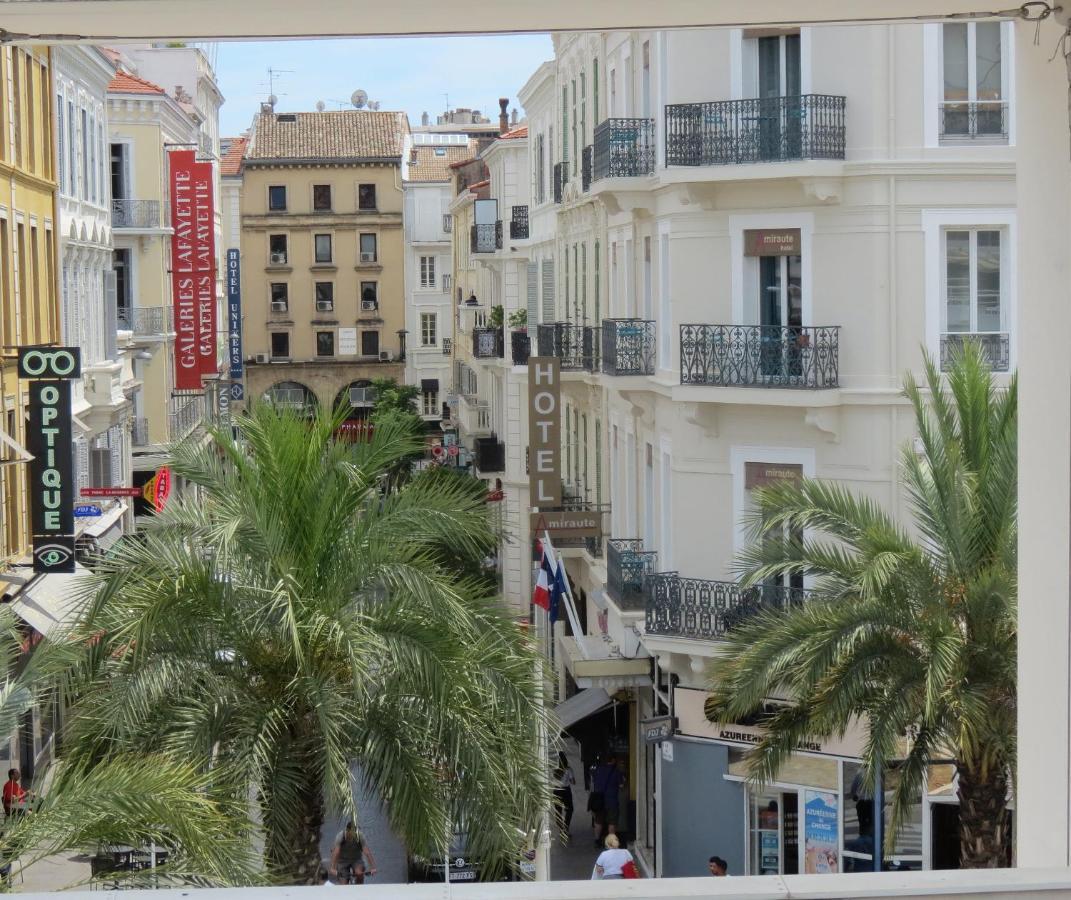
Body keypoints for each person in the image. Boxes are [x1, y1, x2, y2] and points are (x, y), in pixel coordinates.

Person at [589, 754, 621, 846]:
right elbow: (621, 785)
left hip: (599, 801)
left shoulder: (598, 770)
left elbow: (593, 781)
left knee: (598, 821)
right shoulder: (616, 772)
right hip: (612, 801)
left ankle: (597, 840)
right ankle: (611, 843)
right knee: (612, 822)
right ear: (613, 760)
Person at [552, 765, 575, 839]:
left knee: (558, 811)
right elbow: (573, 782)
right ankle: (566, 828)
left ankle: (561, 830)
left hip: (556, 791)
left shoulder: (553, 768)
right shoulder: (568, 769)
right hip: (566, 791)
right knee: (569, 810)